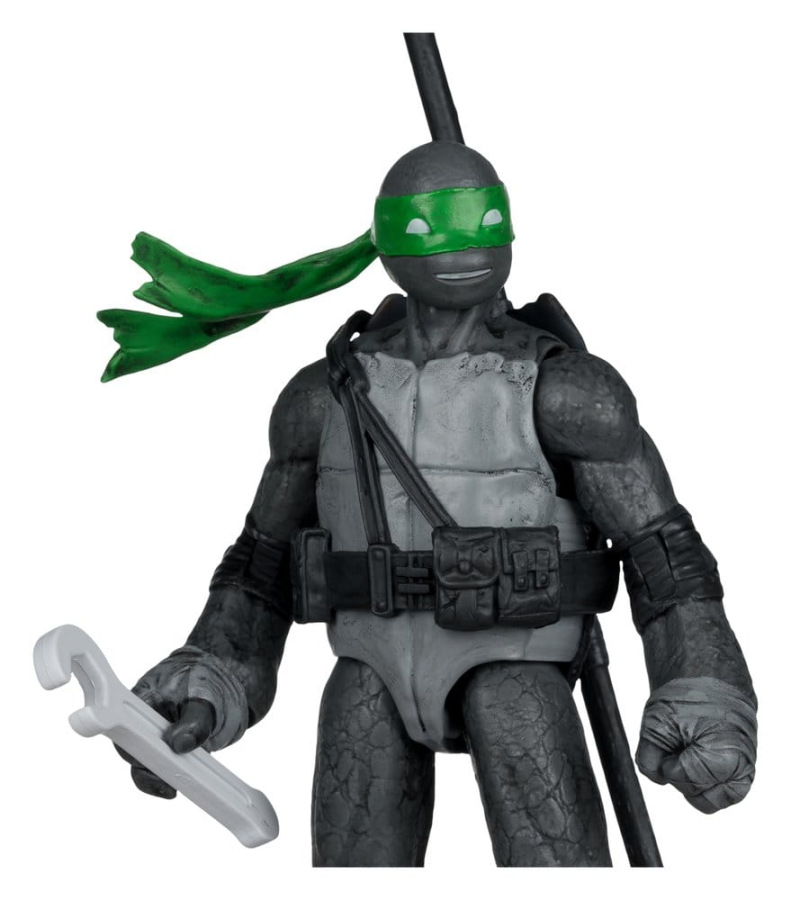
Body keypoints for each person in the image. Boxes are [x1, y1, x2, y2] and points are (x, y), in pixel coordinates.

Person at [111, 141, 757, 867]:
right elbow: (261, 564)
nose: (466, 246)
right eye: (431, 228)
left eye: (487, 222)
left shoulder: (569, 392)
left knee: (550, 842)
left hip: (516, 663)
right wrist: (208, 677)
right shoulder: (322, 398)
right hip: (370, 668)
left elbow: (663, 555)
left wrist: (703, 691)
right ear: (388, 244)